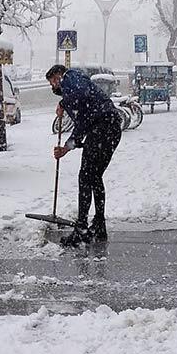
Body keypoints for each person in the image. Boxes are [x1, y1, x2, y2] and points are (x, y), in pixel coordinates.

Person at [46, 64, 123, 246]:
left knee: (85, 177)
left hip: (103, 128)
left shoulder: (71, 76)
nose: (53, 88)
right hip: (110, 127)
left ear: (58, 76)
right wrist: (67, 147)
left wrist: (63, 103)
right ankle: (99, 224)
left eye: (53, 83)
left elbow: (82, 97)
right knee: (94, 177)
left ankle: (81, 229)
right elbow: (83, 121)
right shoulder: (75, 90)